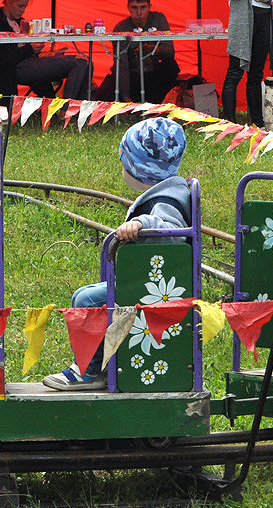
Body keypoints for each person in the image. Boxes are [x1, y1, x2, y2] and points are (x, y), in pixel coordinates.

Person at [43, 117, 192, 391]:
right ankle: (100, 364)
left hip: (156, 289)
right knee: (85, 295)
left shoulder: (166, 200)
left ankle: (91, 371)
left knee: (89, 300)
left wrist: (142, 224)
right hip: (147, 280)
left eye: (125, 163)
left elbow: (174, 232)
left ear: (139, 168)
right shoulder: (167, 191)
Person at [0, 0, 91, 100]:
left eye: (25, 7)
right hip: (15, 69)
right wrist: (30, 50)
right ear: (8, 1)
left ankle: (78, 110)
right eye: (20, 6)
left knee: (86, 62)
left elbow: (27, 51)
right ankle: (66, 110)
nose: (22, 10)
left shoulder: (21, 22)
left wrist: (48, 54)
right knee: (79, 63)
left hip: (29, 63)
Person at [112, 0, 181, 103]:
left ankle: (153, 104)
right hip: (132, 76)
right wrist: (125, 97)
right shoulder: (121, 28)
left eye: (143, 7)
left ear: (150, 7)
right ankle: (133, 103)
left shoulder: (158, 19)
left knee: (171, 66)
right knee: (105, 95)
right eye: (134, 8)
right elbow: (121, 65)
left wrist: (154, 50)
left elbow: (170, 51)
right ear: (128, 7)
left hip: (154, 74)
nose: (139, 13)